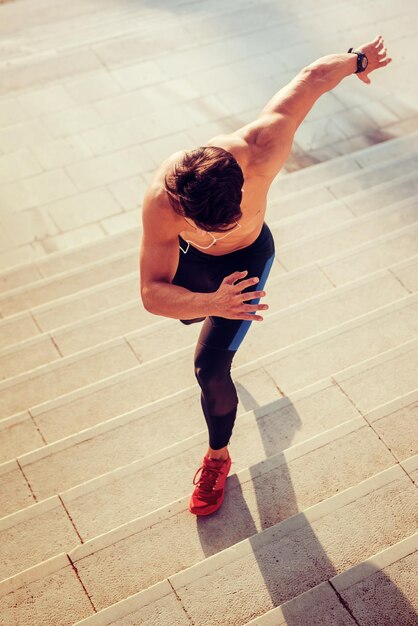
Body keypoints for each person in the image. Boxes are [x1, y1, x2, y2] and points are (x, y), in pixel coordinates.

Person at [139, 36, 392, 516]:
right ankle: (202, 313)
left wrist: (358, 60)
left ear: (240, 178)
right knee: (186, 315)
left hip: (246, 262)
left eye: (236, 211)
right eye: (218, 222)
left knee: (209, 368)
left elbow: (313, 79)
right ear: (184, 210)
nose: (231, 221)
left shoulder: (262, 145)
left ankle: (217, 456)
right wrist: (206, 301)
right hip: (191, 264)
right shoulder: (162, 204)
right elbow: (152, 292)